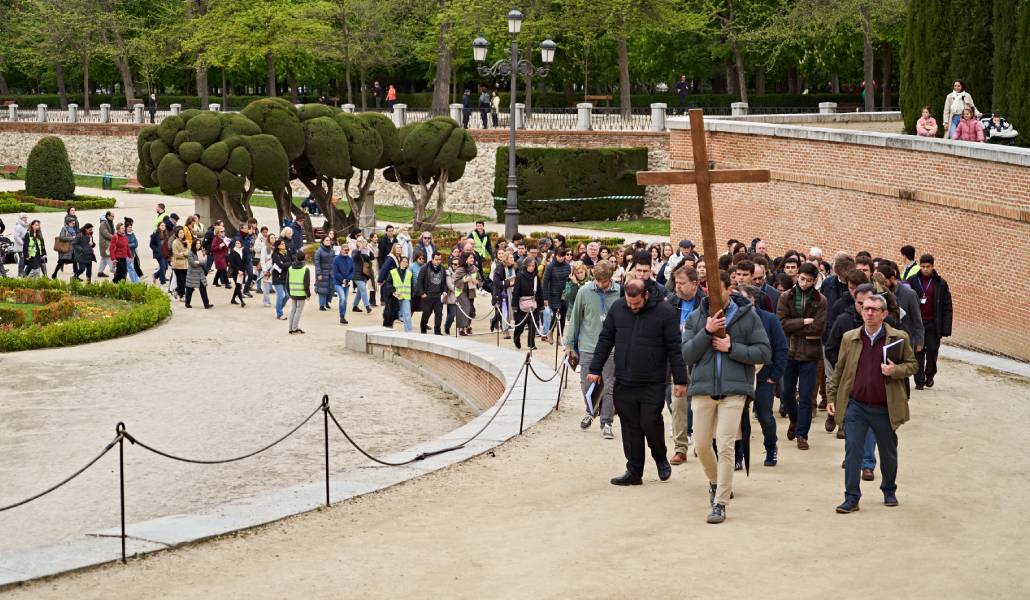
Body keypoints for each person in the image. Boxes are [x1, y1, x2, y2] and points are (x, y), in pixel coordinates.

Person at [682, 270, 771, 522]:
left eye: (717, 288)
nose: (712, 293)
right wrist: (707, 332)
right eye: (708, 289)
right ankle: (714, 481)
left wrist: (732, 347)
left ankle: (720, 503)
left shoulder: (747, 317)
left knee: (725, 444)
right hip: (703, 389)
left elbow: (764, 352)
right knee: (700, 445)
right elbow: (687, 354)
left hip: (734, 391)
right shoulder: (697, 317)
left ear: (728, 288)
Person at [590, 277, 689, 486]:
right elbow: (606, 339)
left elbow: (674, 348)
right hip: (624, 379)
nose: (632, 307)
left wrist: (680, 380)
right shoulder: (618, 308)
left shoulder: (665, 312)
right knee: (630, 426)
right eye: (629, 303)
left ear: (646, 295)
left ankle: (660, 457)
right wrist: (595, 369)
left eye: (636, 303)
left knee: (649, 422)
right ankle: (634, 470)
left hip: (652, 381)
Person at [827, 294, 917, 514]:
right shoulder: (850, 338)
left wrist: (895, 370)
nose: (870, 313)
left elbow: (913, 365)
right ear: (861, 311)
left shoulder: (898, 338)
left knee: (888, 452)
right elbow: (839, 370)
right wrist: (831, 398)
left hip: (884, 407)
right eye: (866, 308)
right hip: (856, 405)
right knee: (852, 452)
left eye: (875, 309)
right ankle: (851, 497)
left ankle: (889, 490)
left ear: (884, 314)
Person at [566, 260, 622, 438]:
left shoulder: (620, 291)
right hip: (588, 346)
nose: (601, 285)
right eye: (598, 281)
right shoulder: (584, 291)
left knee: (609, 386)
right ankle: (591, 411)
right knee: (586, 384)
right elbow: (575, 318)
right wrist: (569, 344)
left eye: (604, 282)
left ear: (610, 278)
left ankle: (606, 423)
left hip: (611, 348)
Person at [776, 262, 827, 451]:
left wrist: (793, 326)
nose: (804, 283)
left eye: (809, 280)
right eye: (802, 279)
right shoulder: (785, 296)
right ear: (798, 277)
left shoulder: (821, 300)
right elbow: (781, 323)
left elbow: (819, 327)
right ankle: (794, 421)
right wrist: (804, 322)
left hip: (810, 354)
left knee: (806, 396)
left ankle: (802, 434)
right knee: (787, 393)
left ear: (814, 281)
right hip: (789, 352)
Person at [737, 285, 788, 467]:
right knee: (740, 419)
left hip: (764, 377)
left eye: (743, 299)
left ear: (753, 300)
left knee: (765, 417)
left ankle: (771, 448)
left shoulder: (769, 319)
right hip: (741, 377)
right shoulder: (733, 320)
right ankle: (739, 455)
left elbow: (781, 348)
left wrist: (774, 376)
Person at [665, 264, 706, 464]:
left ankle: (701, 443)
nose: (677, 287)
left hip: (701, 360)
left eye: (682, 283)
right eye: (676, 283)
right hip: (678, 360)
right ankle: (680, 448)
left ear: (695, 284)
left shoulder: (706, 303)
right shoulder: (671, 302)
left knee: (701, 405)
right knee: (678, 404)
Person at [906, 254, 952, 390]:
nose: (925, 269)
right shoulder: (912, 281)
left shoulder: (940, 283)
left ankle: (929, 375)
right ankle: (919, 381)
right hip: (918, 324)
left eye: (928, 267)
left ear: (933, 266)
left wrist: (945, 328)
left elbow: (947, 306)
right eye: (923, 266)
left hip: (933, 323)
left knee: (932, 351)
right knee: (918, 352)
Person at [511, 256, 542, 349]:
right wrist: (514, 306)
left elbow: (540, 291)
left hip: (533, 303)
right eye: (529, 266)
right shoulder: (520, 276)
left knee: (533, 324)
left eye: (533, 266)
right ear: (525, 266)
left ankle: (531, 344)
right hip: (522, 303)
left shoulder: (536, 276)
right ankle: (516, 338)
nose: (531, 267)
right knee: (520, 325)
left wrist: (541, 305)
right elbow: (516, 291)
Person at [541, 249, 571, 343]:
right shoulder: (550, 266)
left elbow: (569, 280)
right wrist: (545, 297)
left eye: (563, 256)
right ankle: (550, 332)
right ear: (556, 255)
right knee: (555, 315)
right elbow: (545, 282)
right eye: (559, 256)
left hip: (565, 294)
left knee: (563, 316)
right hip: (553, 294)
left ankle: (559, 336)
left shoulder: (567, 266)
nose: (561, 258)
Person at [416, 251, 447, 335]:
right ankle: (423, 328)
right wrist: (422, 293)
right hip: (428, 295)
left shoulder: (442, 269)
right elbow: (419, 281)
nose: (438, 261)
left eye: (439, 259)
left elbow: (444, 282)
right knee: (426, 313)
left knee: (439, 314)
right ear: (432, 259)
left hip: (438, 296)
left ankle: (437, 331)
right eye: (436, 259)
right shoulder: (425, 268)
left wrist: (444, 291)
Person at [454, 252, 480, 337]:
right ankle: (461, 328)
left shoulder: (475, 269)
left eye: (473, 258)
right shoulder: (459, 270)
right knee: (465, 308)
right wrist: (464, 280)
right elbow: (456, 282)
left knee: (471, 310)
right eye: (470, 258)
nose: (472, 259)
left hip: (471, 292)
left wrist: (477, 282)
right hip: (461, 292)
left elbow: (480, 281)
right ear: (465, 259)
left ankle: (467, 326)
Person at [184, 238, 213, 309]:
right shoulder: (190, 252)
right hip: (192, 274)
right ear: (194, 244)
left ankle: (206, 304)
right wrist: (200, 262)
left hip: (200, 274)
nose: (198, 245)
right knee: (189, 289)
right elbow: (192, 263)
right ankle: (187, 303)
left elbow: (205, 262)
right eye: (197, 243)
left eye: (199, 243)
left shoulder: (201, 252)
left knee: (203, 288)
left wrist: (199, 262)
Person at [287, 249, 311, 334]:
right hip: (301, 293)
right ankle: (295, 328)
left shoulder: (290, 268)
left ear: (296, 258)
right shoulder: (305, 269)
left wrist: (289, 292)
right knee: (298, 311)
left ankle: (290, 328)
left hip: (293, 292)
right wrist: (308, 294)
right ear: (304, 258)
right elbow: (306, 284)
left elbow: (287, 282)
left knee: (293, 310)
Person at [389, 256, 414, 332]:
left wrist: (411, 298)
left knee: (407, 315)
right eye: (403, 261)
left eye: (406, 262)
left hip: (406, 298)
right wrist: (394, 292)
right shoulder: (393, 272)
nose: (405, 263)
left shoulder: (409, 273)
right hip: (395, 297)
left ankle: (409, 333)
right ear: (400, 262)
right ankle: (388, 330)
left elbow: (411, 286)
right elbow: (389, 284)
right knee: (392, 315)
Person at [331, 244, 355, 325]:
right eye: (345, 249)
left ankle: (343, 317)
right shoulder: (336, 259)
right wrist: (342, 279)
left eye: (347, 250)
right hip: (338, 283)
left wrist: (348, 279)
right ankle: (341, 316)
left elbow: (353, 271)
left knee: (344, 301)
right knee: (342, 298)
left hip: (347, 283)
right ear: (341, 250)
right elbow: (335, 272)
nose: (346, 251)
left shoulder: (350, 259)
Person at [350, 238, 374, 314]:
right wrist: (360, 248)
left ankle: (355, 306)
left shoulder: (366, 251)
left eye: (363, 241)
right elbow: (355, 256)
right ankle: (367, 306)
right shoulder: (355, 251)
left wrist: (368, 249)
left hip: (365, 274)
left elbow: (372, 258)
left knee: (360, 292)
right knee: (363, 289)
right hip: (357, 274)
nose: (361, 243)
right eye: (359, 241)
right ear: (356, 243)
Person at [314, 236, 335, 311]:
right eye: (326, 240)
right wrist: (319, 274)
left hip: (331, 273)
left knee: (330, 288)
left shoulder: (332, 251)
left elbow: (334, 262)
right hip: (322, 273)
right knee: (322, 289)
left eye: (329, 240)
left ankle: (326, 303)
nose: (328, 241)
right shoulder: (319, 251)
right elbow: (317, 263)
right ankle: (322, 305)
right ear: (323, 241)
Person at [227, 238, 247, 308]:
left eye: (238, 243)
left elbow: (245, 262)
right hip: (235, 272)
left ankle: (232, 299)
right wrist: (238, 270)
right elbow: (232, 263)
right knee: (238, 286)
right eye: (236, 243)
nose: (237, 244)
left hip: (242, 271)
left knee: (238, 285)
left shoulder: (243, 251)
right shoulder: (232, 252)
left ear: (241, 244)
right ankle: (242, 301)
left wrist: (243, 270)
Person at [97, 211, 115, 277]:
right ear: (108, 216)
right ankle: (115, 271)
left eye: (113, 216)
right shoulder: (103, 224)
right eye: (112, 216)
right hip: (105, 243)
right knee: (108, 256)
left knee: (103, 258)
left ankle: (100, 272)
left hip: (108, 242)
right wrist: (114, 238)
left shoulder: (110, 223)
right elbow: (105, 233)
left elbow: (113, 231)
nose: (113, 217)